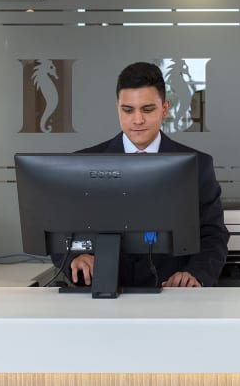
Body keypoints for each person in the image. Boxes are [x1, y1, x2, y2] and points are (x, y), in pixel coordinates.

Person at [66, 62, 229, 288]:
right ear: (118, 108)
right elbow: (62, 230)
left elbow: (213, 235)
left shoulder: (198, 165)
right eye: (128, 110)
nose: (137, 120)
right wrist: (75, 258)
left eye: (147, 109)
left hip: (173, 294)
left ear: (165, 108)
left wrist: (195, 273)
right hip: (103, 293)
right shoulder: (84, 162)